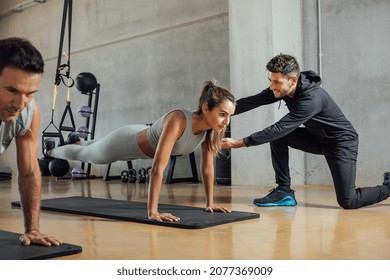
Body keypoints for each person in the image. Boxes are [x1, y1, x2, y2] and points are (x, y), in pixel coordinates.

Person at [46, 80, 236, 221]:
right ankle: (51, 152)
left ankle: (78, 141)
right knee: (88, 155)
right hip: (126, 141)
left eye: (229, 116)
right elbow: (157, 168)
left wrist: (210, 203)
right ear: (205, 108)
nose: (226, 121)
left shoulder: (211, 131)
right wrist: (153, 212)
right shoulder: (179, 120)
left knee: (92, 146)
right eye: (222, 114)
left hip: (140, 140)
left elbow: (208, 168)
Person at [222, 53, 390, 209]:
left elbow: (281, 127)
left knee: (348, 200)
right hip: (318, 138)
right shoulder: (284, 89)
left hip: (341, 142)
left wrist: (239, 143)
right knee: (280, 137)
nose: (272, 87)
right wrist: (219, 111)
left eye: (276, 82)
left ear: (293, 80)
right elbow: (252, 101)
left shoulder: (312, 99)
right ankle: (284, 191)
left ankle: (388, 186)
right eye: (271, 80)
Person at [0, 37, 62, 246]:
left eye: (29, 93)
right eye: (12, 91)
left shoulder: (28, 112)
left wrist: (33, 229)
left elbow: (28, 172)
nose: (20, 103)